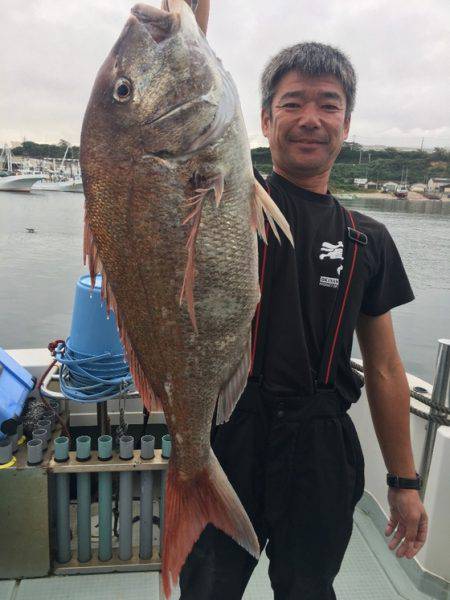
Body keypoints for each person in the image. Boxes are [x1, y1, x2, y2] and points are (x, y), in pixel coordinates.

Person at [179, 2, 429, 599]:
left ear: (346, 124)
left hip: (320, 446)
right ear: (263, 122)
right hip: (229, 432)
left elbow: (388, 369)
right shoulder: (225, 202)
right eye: (292, 103)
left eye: (328, 104)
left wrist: (404, 480)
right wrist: (187, 26)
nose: (310, 118)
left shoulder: (369, 237)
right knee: (207, 590)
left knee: (308, 589)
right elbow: (183, 126)